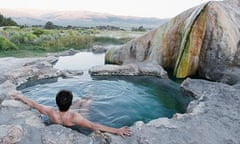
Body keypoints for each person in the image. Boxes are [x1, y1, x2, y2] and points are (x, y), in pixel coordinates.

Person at [12, 90, 132, 138]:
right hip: (74, 122)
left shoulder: (50, 111)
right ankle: (89, 97)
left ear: (56, 102)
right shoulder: (75, 117)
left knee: (79, 102)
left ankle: (82, 99)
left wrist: (21, 96)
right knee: (85, 105)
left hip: (60, 117)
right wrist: (116, 130)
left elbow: (33, 104)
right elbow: (94, 126)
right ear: (69, 103)